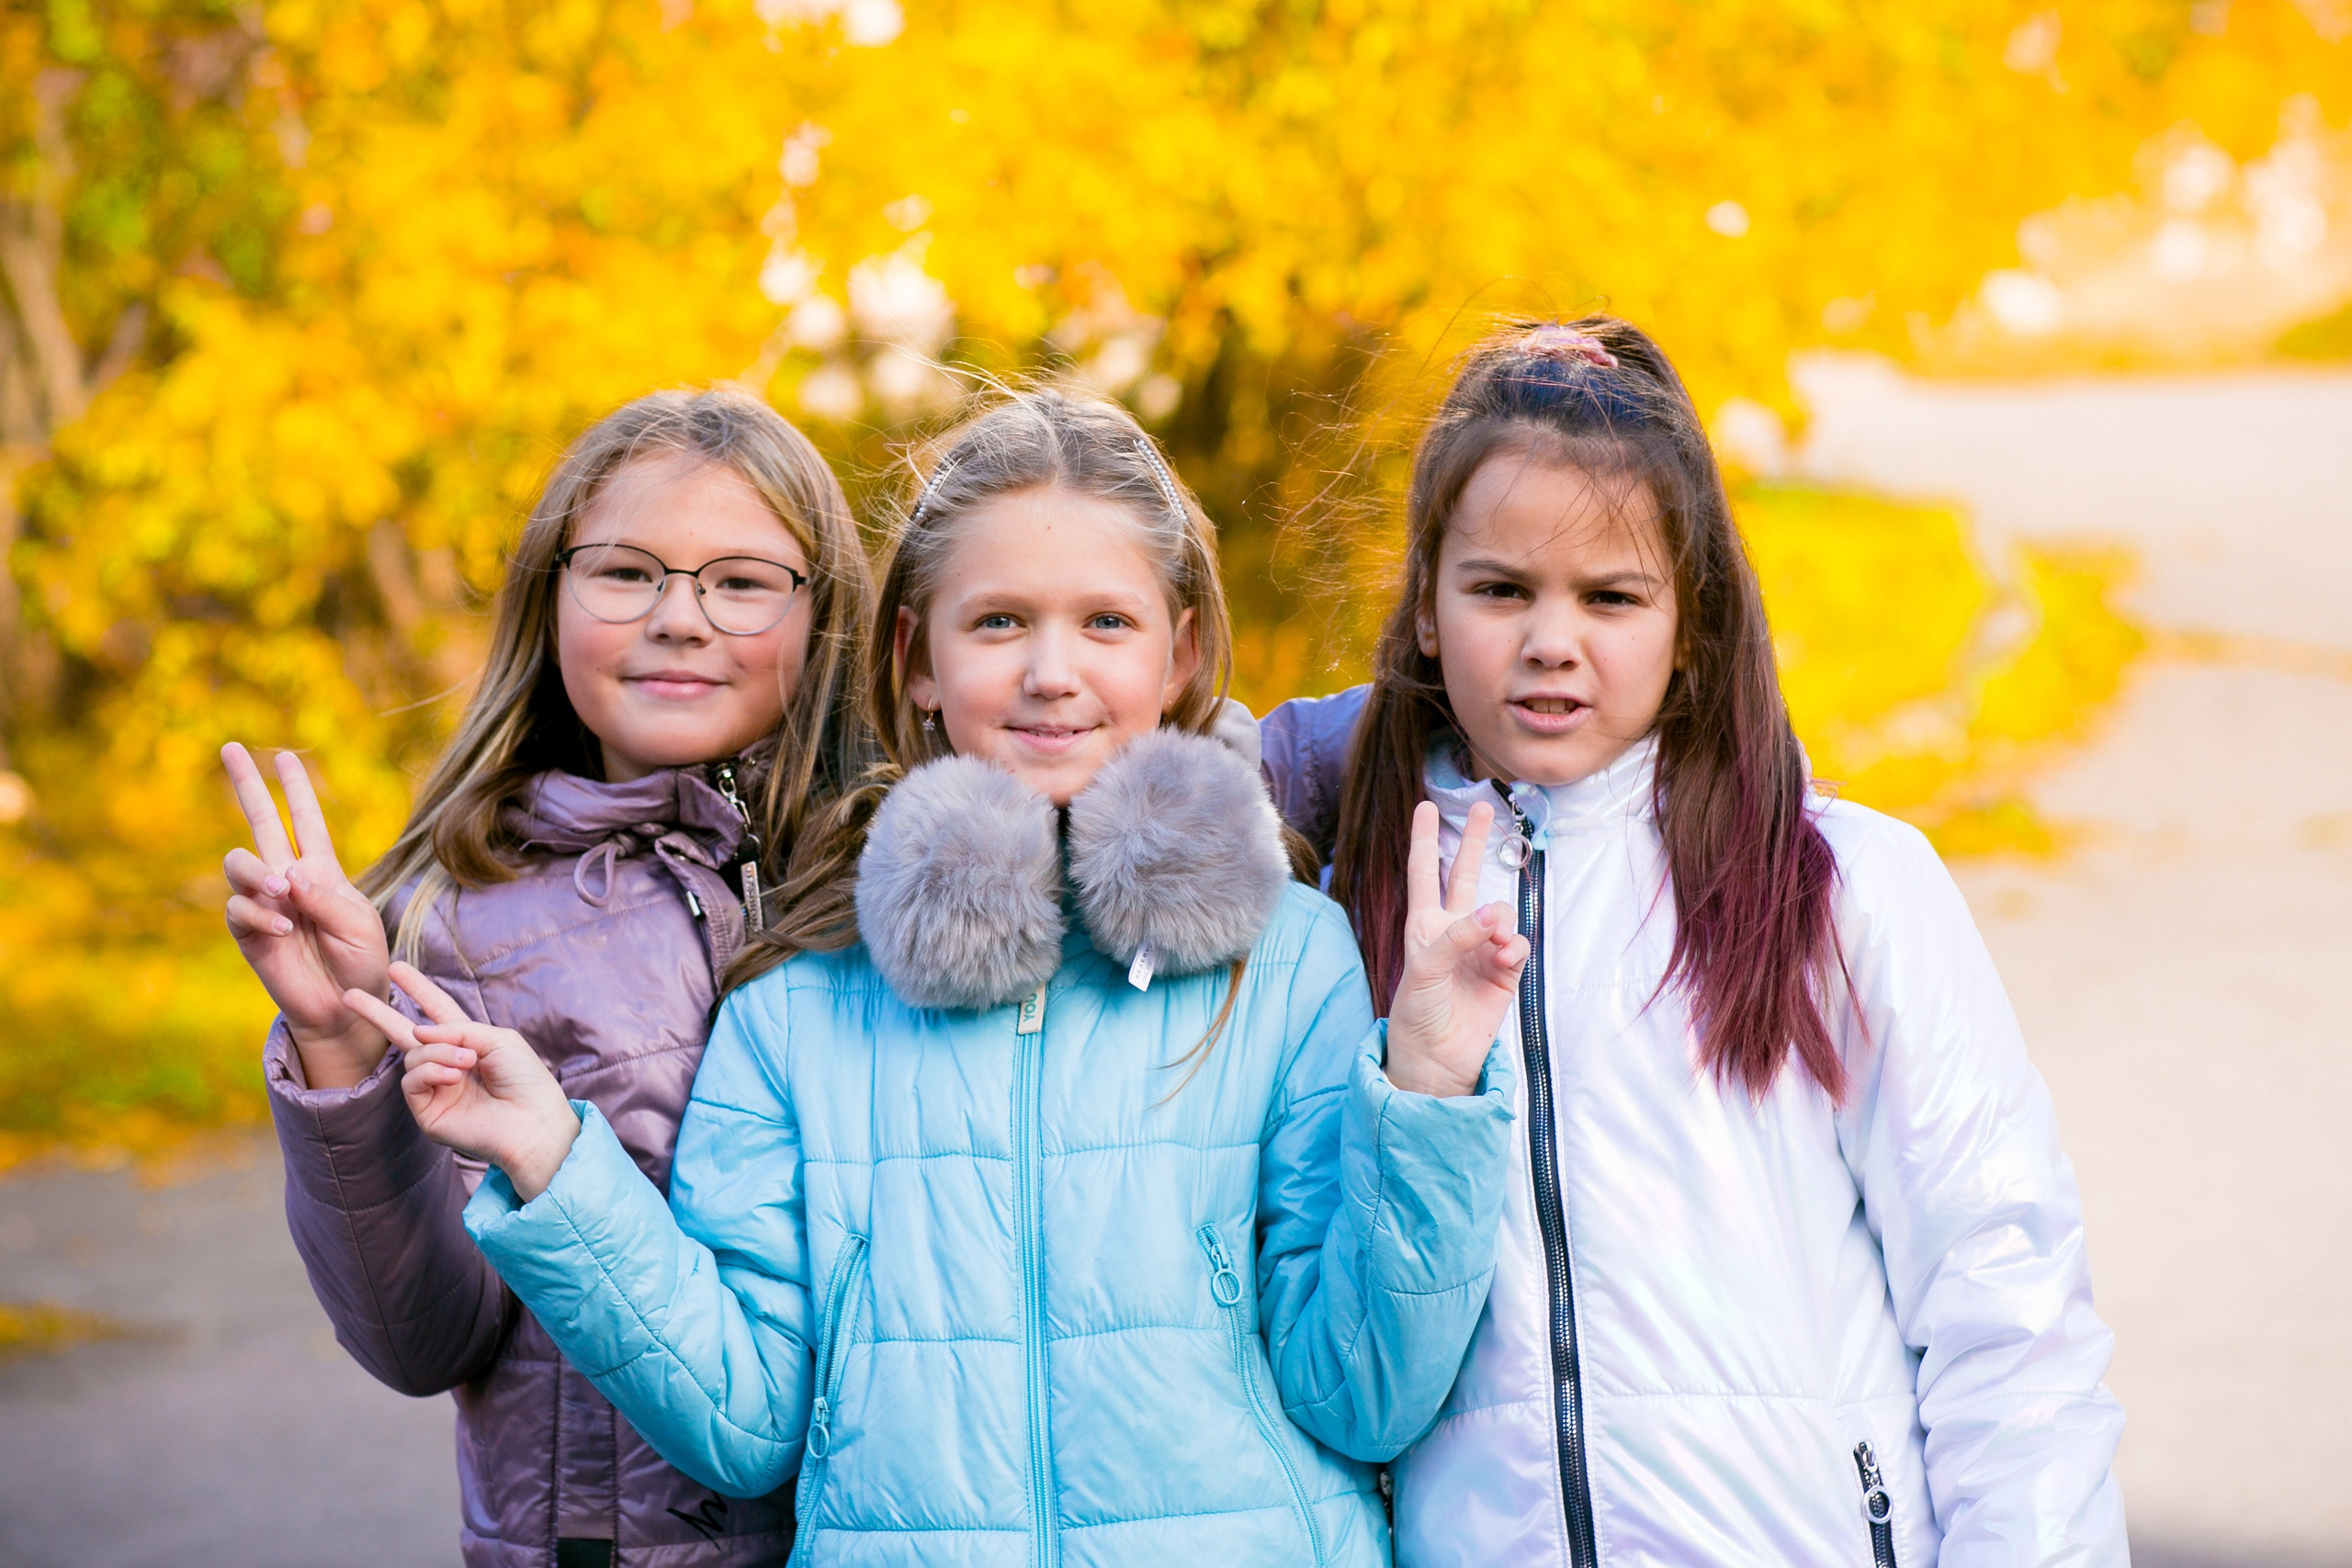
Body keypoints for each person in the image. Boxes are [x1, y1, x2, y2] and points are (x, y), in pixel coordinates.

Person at [344, 387, 1525, 1568]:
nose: (1052, 673)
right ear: (915, 657)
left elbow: (1364, 1398)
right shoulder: (796, 1006)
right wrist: (558, 1163)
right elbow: (746, 1425)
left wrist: (1423, 1086)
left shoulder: (1288, 963)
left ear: (1185, 653)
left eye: (1106, 624)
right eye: (1000, 622)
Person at [1291, 318, 2127, 1565]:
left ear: (1692, 619)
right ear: (1425, 605)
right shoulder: (1360, 904)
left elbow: (2003, 1296)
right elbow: (1345, 1372)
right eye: (1501, 588)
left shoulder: (1838, 887)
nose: (1552, 640)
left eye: (1613, 595)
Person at [220, 387, 874, 1568]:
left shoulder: (895, 878)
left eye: (739, 581)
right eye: (627, 572)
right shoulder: (466, 919)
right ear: (549, 595)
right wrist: (340, 1049)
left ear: (826, 616)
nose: (680, 618)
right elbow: (421, 1341)